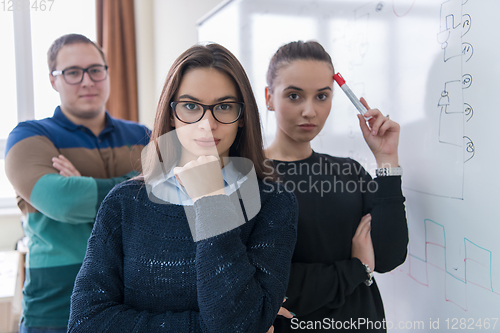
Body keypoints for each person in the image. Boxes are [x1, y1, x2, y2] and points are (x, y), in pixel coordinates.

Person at [67, 43, 298, 333]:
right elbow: (86, 324)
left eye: (224, 107)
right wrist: (207, 327)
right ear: (172, 113)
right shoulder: (125, 202)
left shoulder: (273, 203)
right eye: (191, 106)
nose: (207, 124)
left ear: (242, 117)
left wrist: (211, 199)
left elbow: (240, 323)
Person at [4, 33, 150, 333]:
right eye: (72, 72)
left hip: (134, 296)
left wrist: (85, 185)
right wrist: (141, 184)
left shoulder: (144, 135)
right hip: (56, 304)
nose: (87, 81)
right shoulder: (28, 137)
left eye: (95, 70)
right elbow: (65, 202)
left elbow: (172, 195)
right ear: (53, 80)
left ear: (108, 73)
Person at [264, 41, 408, 332]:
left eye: (321, 96)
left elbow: (389, 256)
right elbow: (269, 285)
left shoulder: (348, 171)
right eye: (294, 96)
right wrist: (356, 269)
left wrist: (386, 159)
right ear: (269, 98)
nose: (309, 111)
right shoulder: (251, 178)